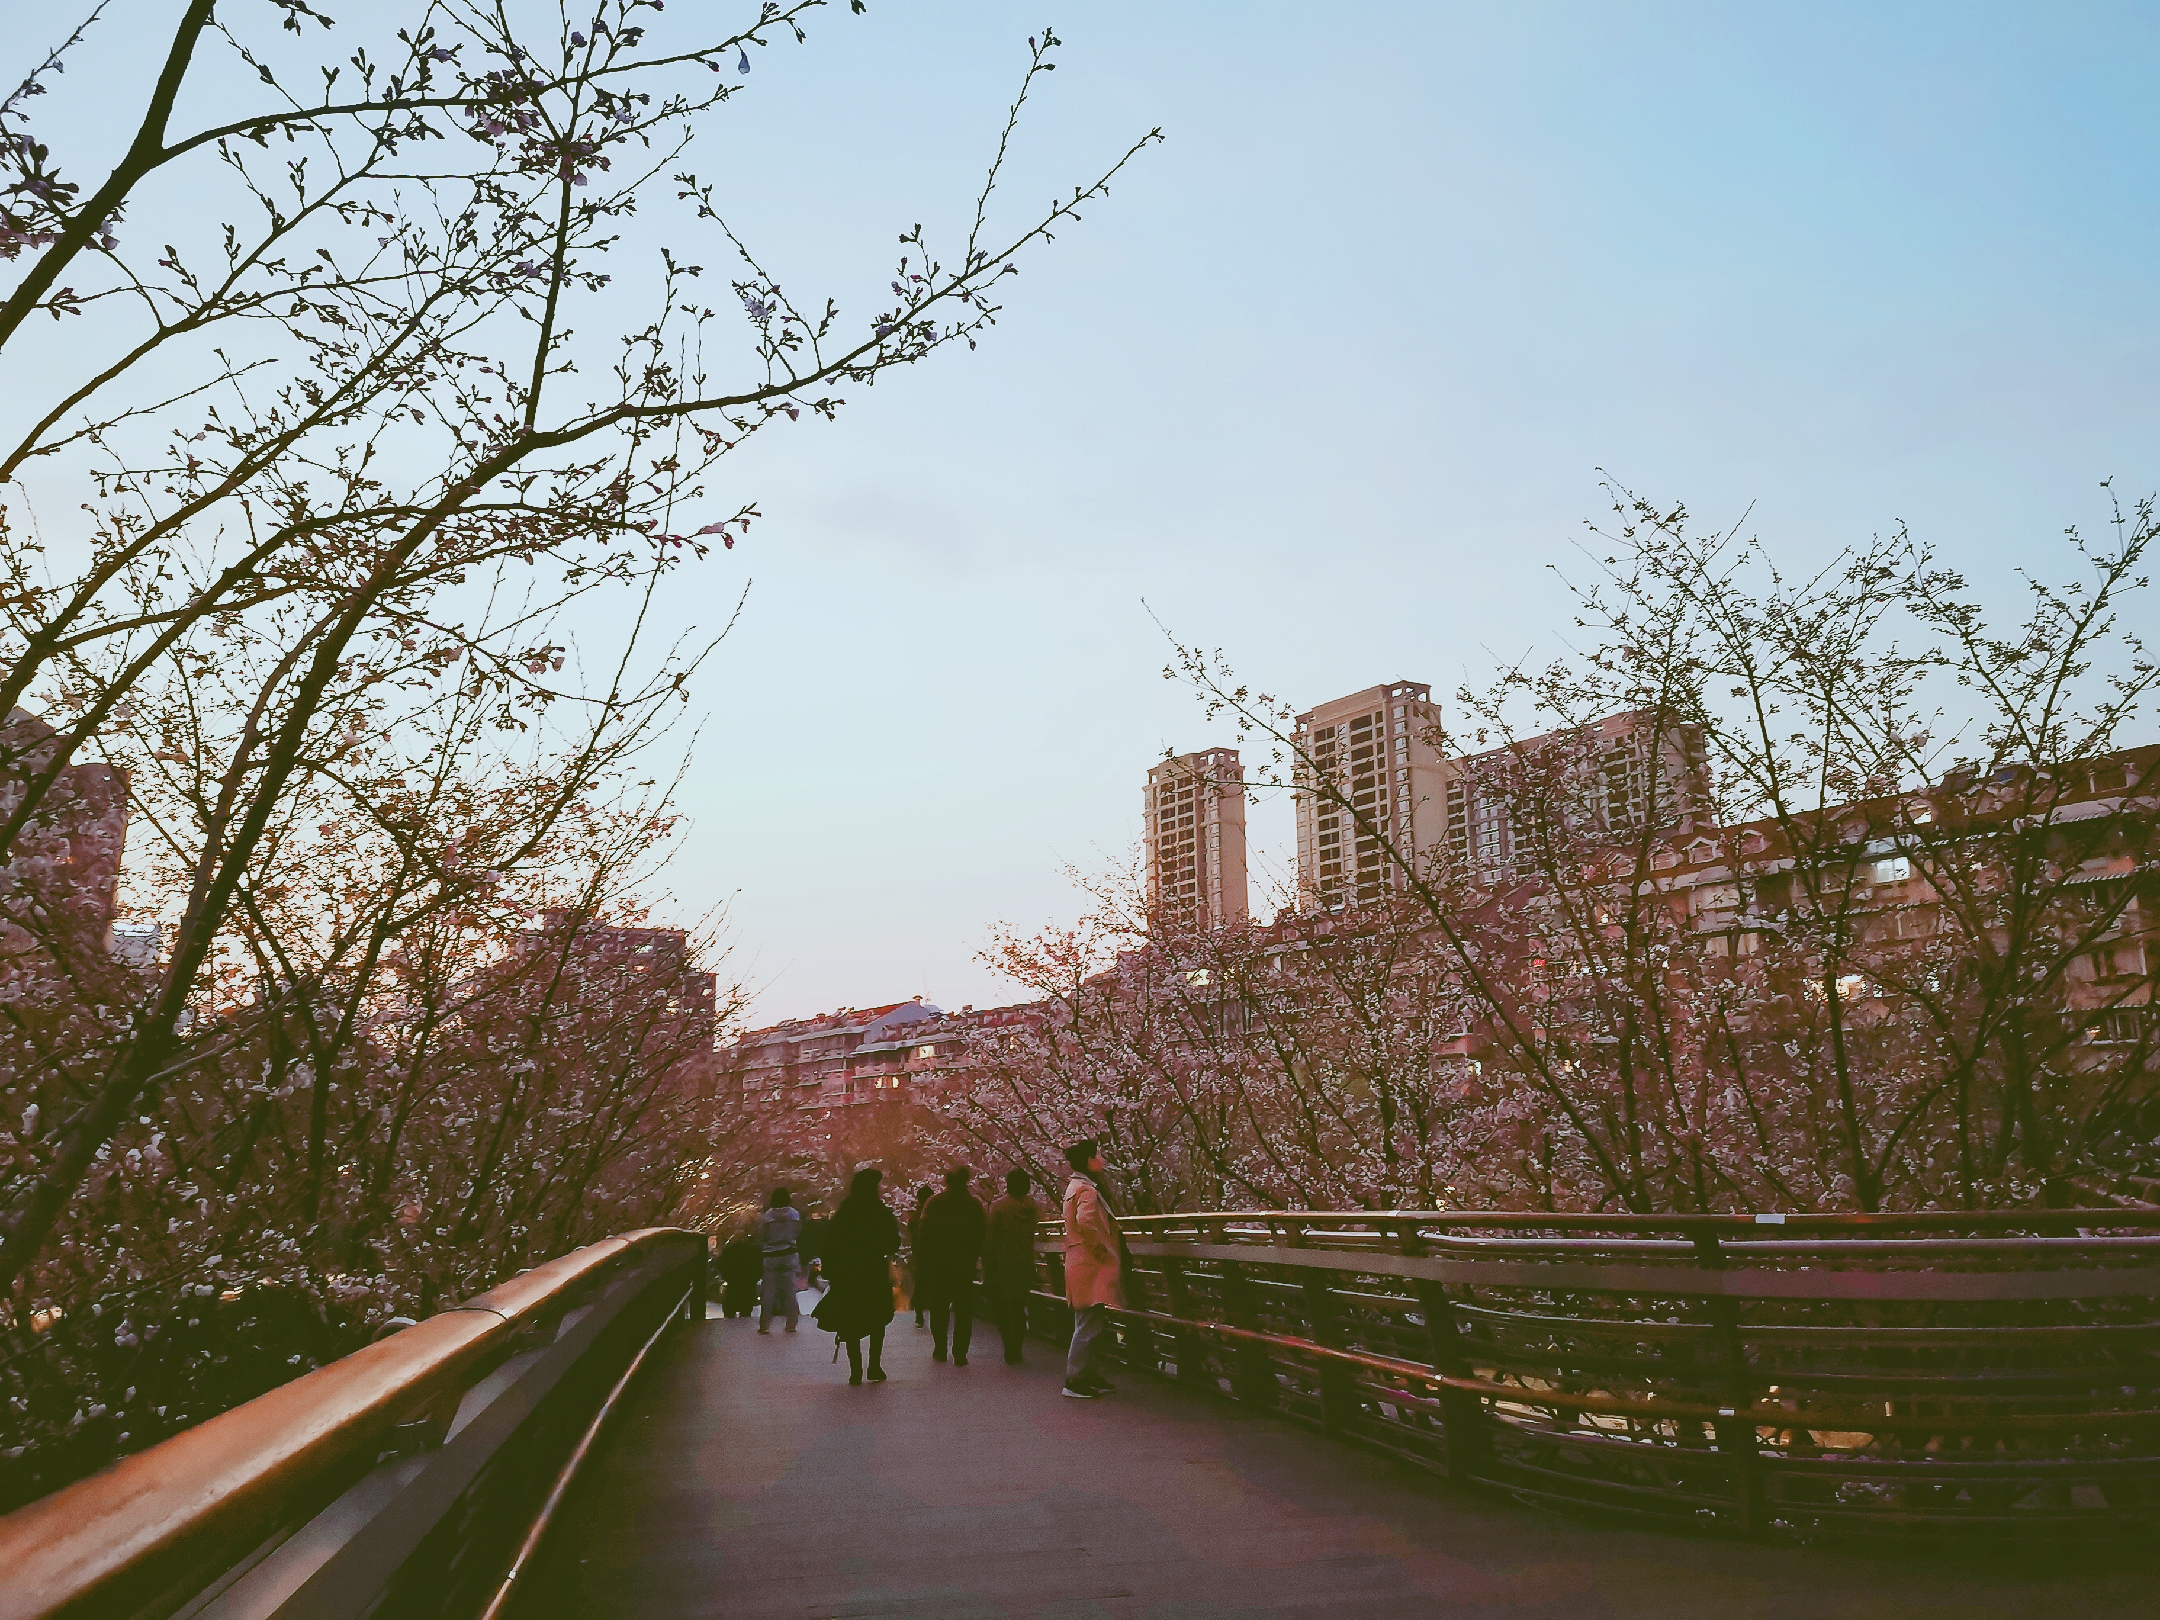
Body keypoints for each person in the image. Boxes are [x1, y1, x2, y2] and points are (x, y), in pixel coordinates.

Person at [814, 1166, 901, 1385]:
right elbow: (893, 1242)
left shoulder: (845, 1213)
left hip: (847, 1273)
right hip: (873, 1271)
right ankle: (874, 1365)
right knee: (877, 1317)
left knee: (850, 1318)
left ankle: (855, 1369)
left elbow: (828, 1243)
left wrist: (831, 1269)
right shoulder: (880, 1212)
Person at [1061, 1140, 1122, 1398]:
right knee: (1088, 1324)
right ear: (1089, 1160)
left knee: (1086, 1321)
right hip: (1089, 1263)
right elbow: (1085, 1222)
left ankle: (1087, 1373)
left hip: (1077, 1260)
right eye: (1098, 1155)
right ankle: (1075, 1379)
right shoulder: (1087, 1190)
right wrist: (1102, 1249)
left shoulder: (1072, 1187)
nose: (1102, 1160)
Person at [915, 1166, 988, 1365]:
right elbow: (983, 1234)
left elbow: (924, 1235)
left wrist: (923, 1261)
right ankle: (960, 1352)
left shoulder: (934, 1203)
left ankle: (940, 1347)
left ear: (946, 1182)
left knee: (939, 1305)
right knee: (964, 1308)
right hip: (964, 1264)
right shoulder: (973, 1205)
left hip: (939, 1263)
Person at [983, 1167, 1043, 1365]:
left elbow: (990, 1237)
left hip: (1001, 1264)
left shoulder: (999, 1207)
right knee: (1018, 1307)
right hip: (1024, 1262)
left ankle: (1009, 1344)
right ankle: (1017, 1345)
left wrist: (987, 1262)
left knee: (1000, 1306)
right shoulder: (1033, 1207)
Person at [754, 1186, 803, 1334]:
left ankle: (764, 1325)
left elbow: (761, 1235)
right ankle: (791, 1323)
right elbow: (798, 1233)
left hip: (771, 1256)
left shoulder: (767, 1216)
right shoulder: (795, 1215)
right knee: (790, 1291)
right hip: (789, 1254)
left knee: (769, 1292)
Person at [717, 1227, 762, 1319]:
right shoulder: (753, 1250)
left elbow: (721, 1264)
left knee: (729, 1313)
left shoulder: (728, 1250)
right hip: (748, 1284)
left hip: (732, 1284)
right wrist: (754, 1279)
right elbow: (759, 1266)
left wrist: (726, 1277)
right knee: (746, 1311)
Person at [907, 1183, 935, 1327]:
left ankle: (919, 1314)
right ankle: (931, 1313)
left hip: (920, 1256)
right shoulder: (934, 1215)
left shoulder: (914, 1216)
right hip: (934, 1256)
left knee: (921, 1285)